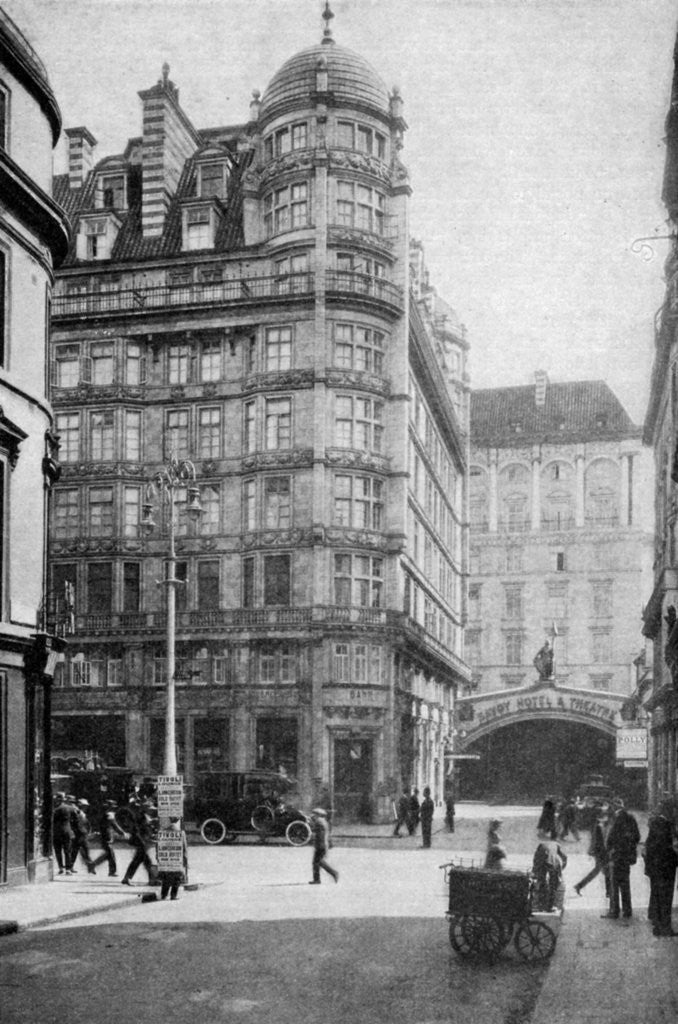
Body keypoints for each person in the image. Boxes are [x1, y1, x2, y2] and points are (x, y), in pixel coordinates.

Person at [602, 797, 640, 921]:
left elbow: (610, 838)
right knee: (625, 884)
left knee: (614, 884)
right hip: (626, 857)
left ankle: (614, 911)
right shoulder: (631, 818)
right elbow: (637, 837)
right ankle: (627, 910)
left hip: (616, 856)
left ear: (614, 806)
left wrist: (609, 849)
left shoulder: (615, 819)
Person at [643, 810, 678, 936]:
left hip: (656, 868)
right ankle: (666, 928)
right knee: (666, 899)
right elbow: (671, 848)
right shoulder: (667, 826)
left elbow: (649, 847)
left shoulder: (655, 824)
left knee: (658, 897)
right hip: (667, 868)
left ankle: (657, 927)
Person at [573, 808, 609, 897]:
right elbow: (598, 841)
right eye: (604, 815)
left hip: (599, 851)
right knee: (605, 871)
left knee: (600, 871)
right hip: (601, 852)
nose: (606, 817)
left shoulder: (597, 825)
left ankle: (579, 886)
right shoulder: (599, 826)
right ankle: (609, 892)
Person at [121, 800, 156, 886]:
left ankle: (127, 878)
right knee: (146, 861)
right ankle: (152, 879)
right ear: (145, 808)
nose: (152, 810)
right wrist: (142, 841)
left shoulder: (145, 816)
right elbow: (137, 830)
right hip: (140, 841)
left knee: (139, 861)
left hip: (142, 841)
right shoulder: (141, 816)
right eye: (150, 808)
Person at [92, 800, 127, 877]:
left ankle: (93, 865)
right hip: (107, 836)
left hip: (105, 836)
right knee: (111, 855)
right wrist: (122, 833)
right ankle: (112, 872)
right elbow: (115, 825)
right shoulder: (109, 815)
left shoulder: (104, 814)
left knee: (108, 855)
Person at [532, 837, 567, 911]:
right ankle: (550, 905)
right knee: (553, 884)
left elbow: (536, 857)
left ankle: (541, 904)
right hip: (552, 862)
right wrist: (562, 868)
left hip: (542, 861)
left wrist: (535, 870)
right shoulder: (557, 845)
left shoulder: (541, 844)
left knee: (542, 881)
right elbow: (565, 857)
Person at [158, 817, 189, 900]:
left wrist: (158, 857)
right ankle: (173, 895)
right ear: (178, 821)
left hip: (166, 858)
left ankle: (164, 895)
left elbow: (158, 845)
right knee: (177, 877)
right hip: (176, 858)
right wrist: (185, 860)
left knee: (166, 877)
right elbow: (184, 848)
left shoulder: (163, 832)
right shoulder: (181, 833)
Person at [309, 807, 338, 884]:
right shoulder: (324, 822)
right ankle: (316, 879)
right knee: (316, 862)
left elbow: (319, 834)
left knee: (319, 862)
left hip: (321, 845)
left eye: (314, 814)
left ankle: (334, 873)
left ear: (318, 815)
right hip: (323, 844)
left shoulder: (319, 822)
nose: (312, 816)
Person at [52, 793, 77, 875]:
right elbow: (76, 819)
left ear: (58, 799)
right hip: (67, 831)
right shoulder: (70, 808)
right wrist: (72, 828)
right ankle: (68, 869)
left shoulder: (55, 809)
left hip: (57, 832)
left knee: (58, 851)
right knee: (67, 850)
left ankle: (61, 868)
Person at [71, 799, 97, 875]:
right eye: (84, 806)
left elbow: (87, 824)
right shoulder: (77, 813)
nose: (86, 807)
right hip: (78, 834)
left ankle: (90, 866)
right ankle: (70, 867)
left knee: (83, 850)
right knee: (76, 851)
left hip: (82, 834)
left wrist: (88, 831)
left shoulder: (82, 814)